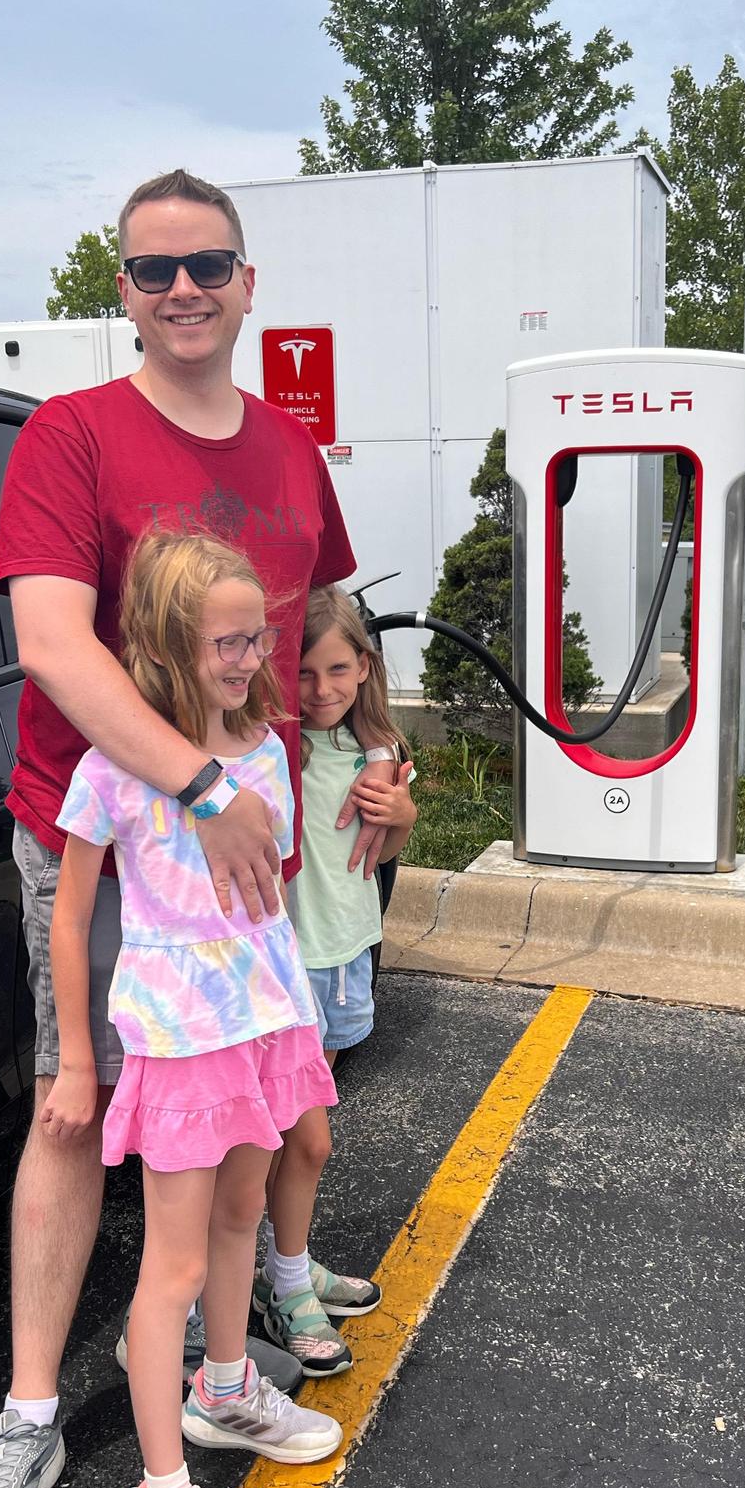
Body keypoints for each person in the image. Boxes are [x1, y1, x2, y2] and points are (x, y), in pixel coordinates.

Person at [0, 169, 389, 1488]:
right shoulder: (71, 435)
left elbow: (314, 639)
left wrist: (370, 768)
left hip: (248, 861)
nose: (183, 289)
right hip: (121, 848)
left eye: (207, 265)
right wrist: (198, 789)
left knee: (242, 1119)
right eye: (153, 270)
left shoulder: (292, 451)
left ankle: (220, 1374)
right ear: (125, 292)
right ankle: (29, 1417)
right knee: (74, 1110)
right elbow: (53, 646)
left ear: (250, 283)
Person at [45, 532, 340, 1488]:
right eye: (229, 640)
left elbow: (271, 900)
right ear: (169, 644)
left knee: (240, 1213)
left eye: (257, 635)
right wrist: (79, 1059)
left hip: (263, 1023)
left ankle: (225, 1388)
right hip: (179, 1042)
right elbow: (71, 919)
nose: (252, 656)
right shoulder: (111, 768)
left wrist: (298, 1012)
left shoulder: (264, 749)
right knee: (167, 1266)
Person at [256, 586, 418, 1376]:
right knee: (300, 1139)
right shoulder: (280, 749)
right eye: (303, 671)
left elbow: (376, 854)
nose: (321, 690)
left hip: (343, 958)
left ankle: (286, 1264)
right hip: (285, 968)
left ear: (365, 668)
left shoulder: (373, 746)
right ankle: (279, 1284)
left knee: (298, 1140)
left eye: (338, 670)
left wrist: (403, 816)